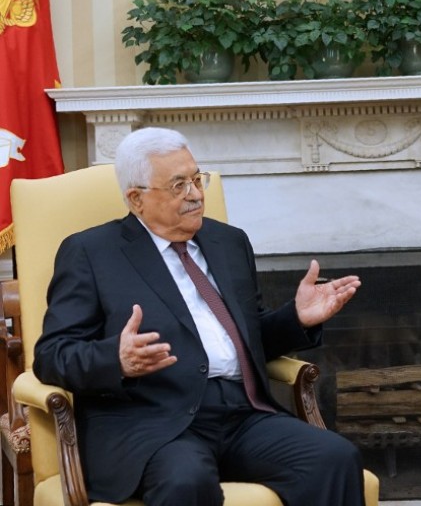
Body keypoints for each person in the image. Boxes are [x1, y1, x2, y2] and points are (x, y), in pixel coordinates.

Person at [33, 127, 366, 506]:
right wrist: (116, 358)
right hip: (154, 424)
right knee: (186, 481)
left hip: (243, 415)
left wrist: (297, 318)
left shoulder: (229, 242)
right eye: (178, 185)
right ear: (136, 198)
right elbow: (52, 355)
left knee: (335, 458)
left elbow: (249, 338)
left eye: (196, 179)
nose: (195, 193)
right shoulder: (91, 253)